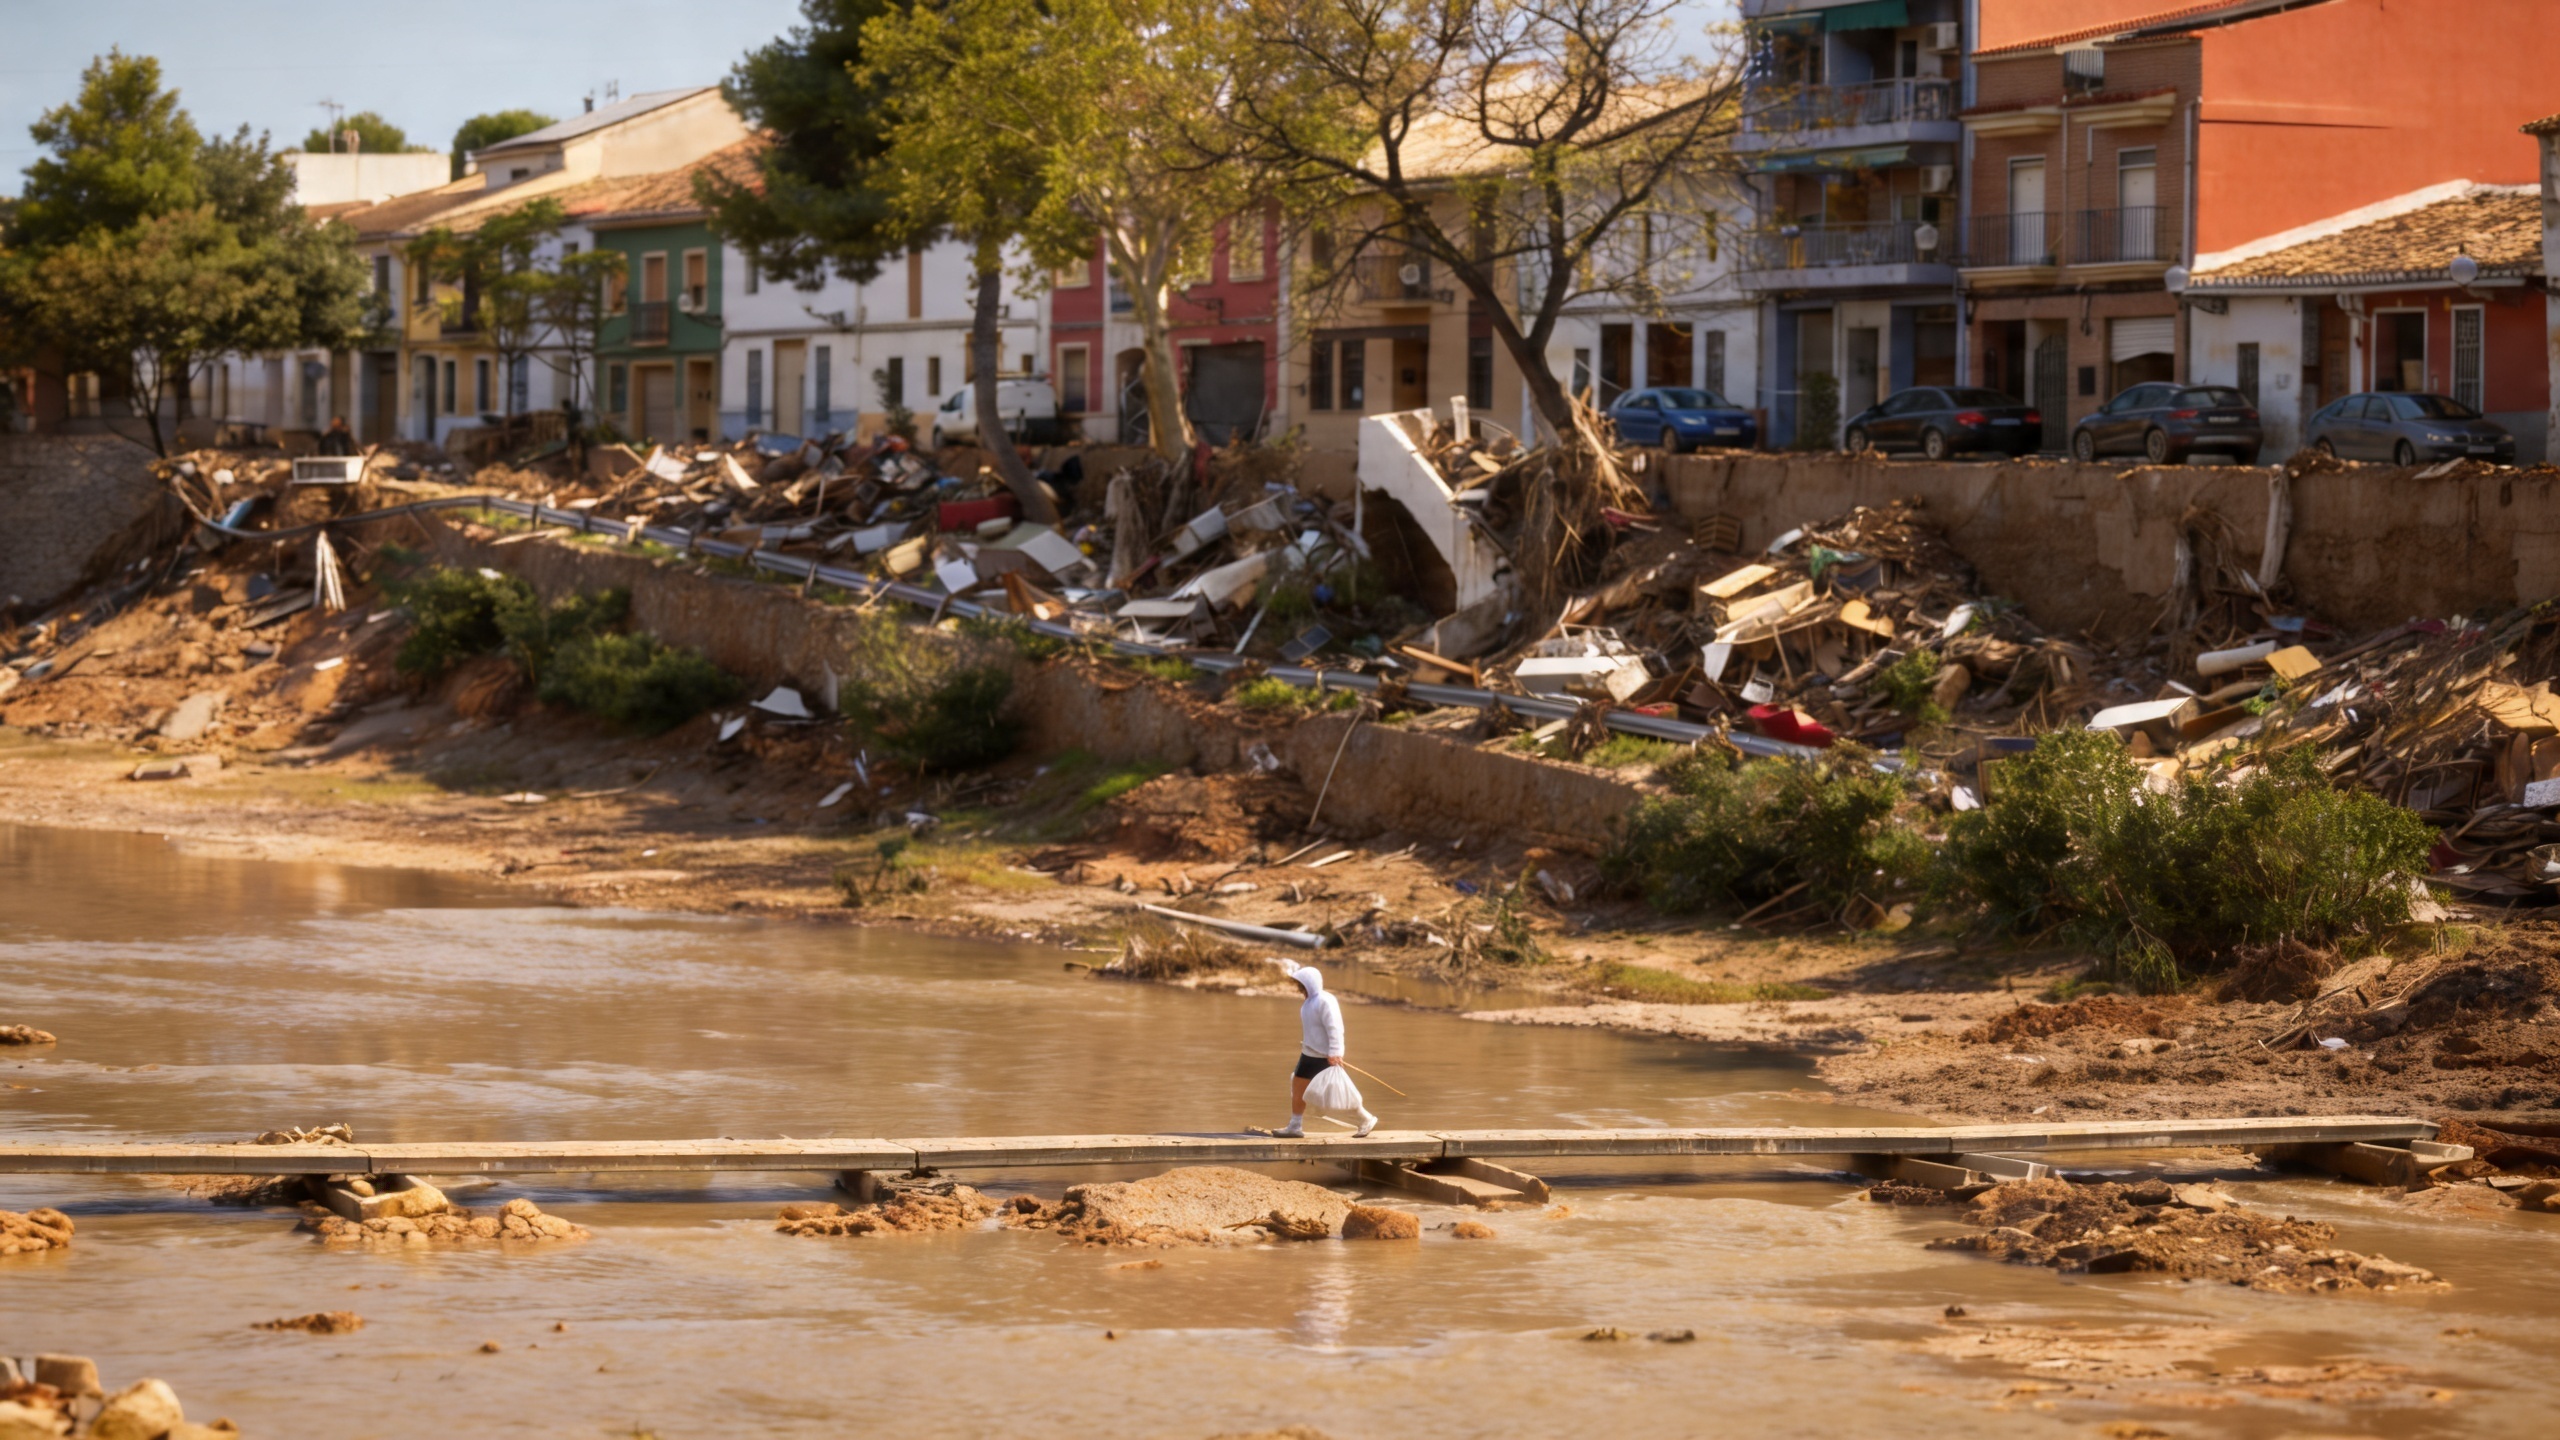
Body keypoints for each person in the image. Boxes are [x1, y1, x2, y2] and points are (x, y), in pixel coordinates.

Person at [1279, 964, 1377, 1138]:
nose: (1298, 988)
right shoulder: (1310, 1001)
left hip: (1324, 1056)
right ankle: (1294, 1126)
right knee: (1298, 1087)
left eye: (1300, 985)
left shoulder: (1325, 1000)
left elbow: (1335, 1028)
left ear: (1308, 983)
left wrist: (1336, 1052)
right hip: (1309, 1053)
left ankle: (1365, 1119)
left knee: (1338, 1092)